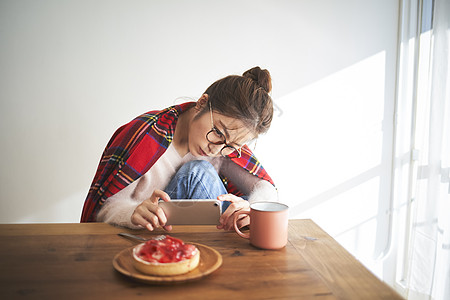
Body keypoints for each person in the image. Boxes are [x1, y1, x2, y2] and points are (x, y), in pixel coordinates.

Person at [81, 66, 278, 231]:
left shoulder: (223, 149)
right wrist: (133, 212)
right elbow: (104, 209)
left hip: (195, 239)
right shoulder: (145, 134)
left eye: (232, 146)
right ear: (201, 104)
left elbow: (266, 188)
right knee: (198, 172)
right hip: (145, 235)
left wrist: (251, 207)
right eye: (218, 132)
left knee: (254, 209)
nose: (215, 150)